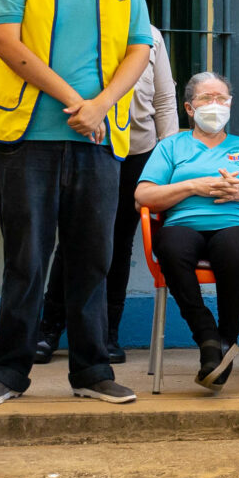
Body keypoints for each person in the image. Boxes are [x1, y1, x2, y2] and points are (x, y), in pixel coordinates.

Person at [0, 0, 152, 409]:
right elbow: (3, 39)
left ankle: (93, 369)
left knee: (93, 257)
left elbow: (140, 48)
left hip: (98, 139)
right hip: (30, 134)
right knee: (26, 257)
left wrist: (99, 105)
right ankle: (7, 372)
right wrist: (74, 100)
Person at [135, 71, 239, 390]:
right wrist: (192, 186)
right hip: (181, 225)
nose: (215, 105)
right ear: (189, 108)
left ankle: (224, 341)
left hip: (238, 226)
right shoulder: (171, 147)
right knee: (172, 248)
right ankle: (207, 337)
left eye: (222, 98)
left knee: (232, 249)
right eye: (206, 98)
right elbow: (144, 196)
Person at [84, 33, 178, 370]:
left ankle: (109, 334)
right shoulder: (89, 18)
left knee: (120, 243)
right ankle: (50, 330)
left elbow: (165, 100)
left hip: (139, 152)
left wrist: (170, 156)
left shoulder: (152, 36)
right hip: (93, 145)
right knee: (76, 239)